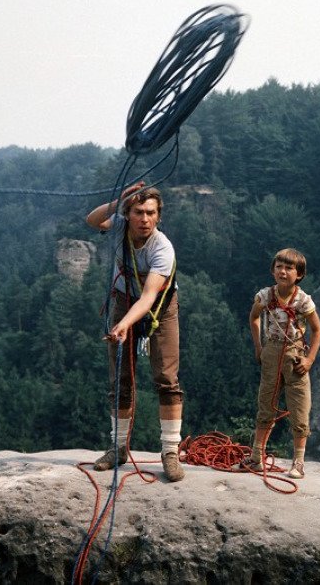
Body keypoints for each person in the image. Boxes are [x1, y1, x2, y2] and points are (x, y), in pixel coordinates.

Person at [85, 182, 185, 482]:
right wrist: (120, 199)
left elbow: (149, 297)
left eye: (151, 213)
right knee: (121, 378)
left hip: (160, 307)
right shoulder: (118, 227)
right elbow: (92, 220)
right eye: (138, 212)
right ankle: (117, 449)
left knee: (166, 379)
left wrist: (126, 323)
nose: (145, 219)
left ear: (158, 216)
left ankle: (169, 452)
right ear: (127, 214)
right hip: (123, 299)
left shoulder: (162, 248)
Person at [242, 248, 320, 479]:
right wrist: (259, 347)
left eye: (289, 268)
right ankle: (257, 457)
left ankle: (298, 462)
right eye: (279, 267)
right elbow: (254, 317)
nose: (283, 271)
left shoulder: (303, 300)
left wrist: (309, 360)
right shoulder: (265, 296)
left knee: (299, 407)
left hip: (295, 355)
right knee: (265, 403)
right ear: (272, 270)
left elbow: (317, 330)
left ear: (299, 274)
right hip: (271, 352)